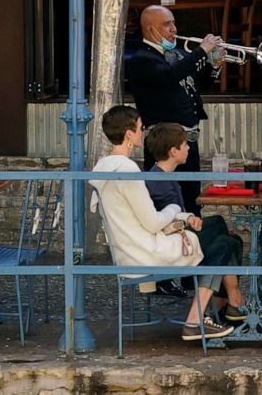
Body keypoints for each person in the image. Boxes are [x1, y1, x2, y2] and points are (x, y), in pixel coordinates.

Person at [88, 105, 233, 341]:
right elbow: (153, 222)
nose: (142, 132)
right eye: (139, 127)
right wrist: (176, 209)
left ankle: (228, 305)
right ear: (128, 134)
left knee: (220, 237)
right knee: (224, 244)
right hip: (146, 252)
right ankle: (197, 320)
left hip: (128, 250)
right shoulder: (128, 171)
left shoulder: (103, 167)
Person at [145, 122, 260, 323]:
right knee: (230, 242)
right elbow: (168, 218)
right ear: (173, 151)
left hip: (178, 232)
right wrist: (187, 220)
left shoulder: (162, 175)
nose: (189, 147)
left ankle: (225, 300)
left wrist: (189, 218)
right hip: (172, 240)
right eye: (184, 144)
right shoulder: (159, 182)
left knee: (218, 223)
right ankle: (230, 299)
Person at [125, 5, 223, 215]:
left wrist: (213, 65)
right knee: (167, 201)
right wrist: (201, 51)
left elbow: (194, 86)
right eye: (166, 24)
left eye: (173, 22)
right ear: (151, 29)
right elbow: (169, 76)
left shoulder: (176, 55)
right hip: (163, 142)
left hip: (187, 140)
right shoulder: (141, 60)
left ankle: (191, 242)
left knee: (191, 201)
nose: (174, 29)